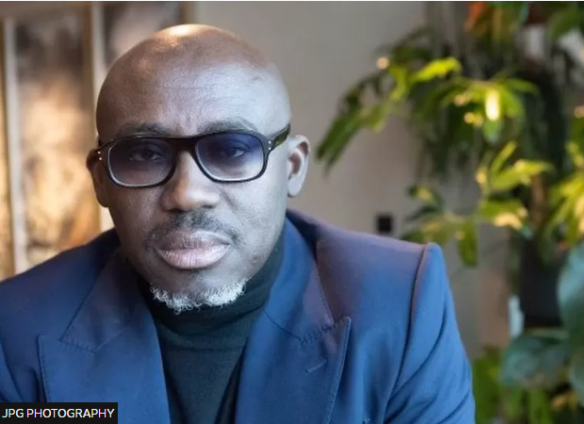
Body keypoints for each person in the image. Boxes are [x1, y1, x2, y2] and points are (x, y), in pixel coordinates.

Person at [0, 24, 474, 424]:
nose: (187, 193)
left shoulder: (400, 304)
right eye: (143, 154)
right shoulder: (16, 327)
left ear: (292, 168)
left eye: (230, 150)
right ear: (101, 181)